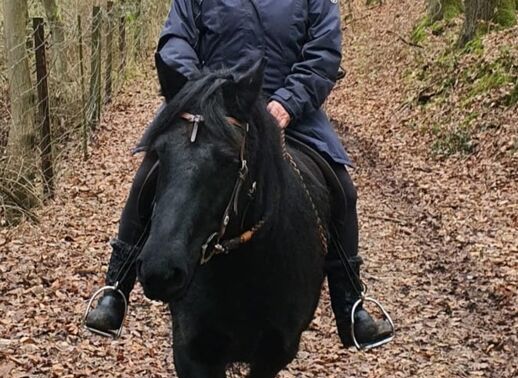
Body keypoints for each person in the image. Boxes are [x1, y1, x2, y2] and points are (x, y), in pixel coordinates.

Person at [86, 0, 393, 349]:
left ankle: (349, 303)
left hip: (286, 113)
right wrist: (200, 92)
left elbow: (323, 51)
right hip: (212, 114)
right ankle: (116, 289)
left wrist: (288, 103)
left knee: (342, 190)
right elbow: (176, 41)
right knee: (149, 176)